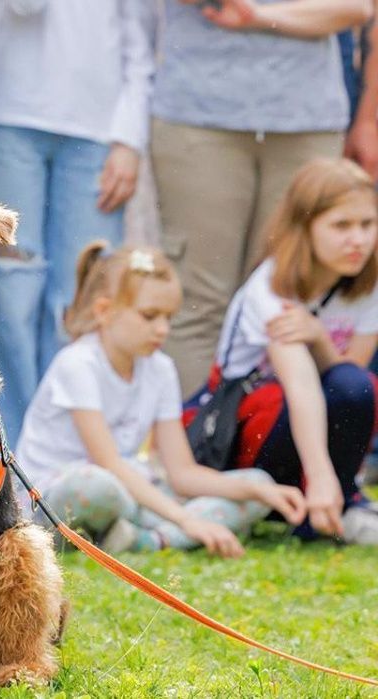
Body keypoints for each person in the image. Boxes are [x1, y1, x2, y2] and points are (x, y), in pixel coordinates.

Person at [16, 242, 308, 557]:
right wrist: (185, 519)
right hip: (59, 496)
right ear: (104, 311)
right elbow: (108, 463)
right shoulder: (77, 363)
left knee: (257, 484)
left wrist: (254, 490)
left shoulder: (161, 369)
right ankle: (163, 533)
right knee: (98, 487)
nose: (162, 329)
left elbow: (181, 472)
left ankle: (140, 540)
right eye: (150, 316)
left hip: (129, 487)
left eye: (168, 318)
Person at [151, 0, 373, 393]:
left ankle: (275, 446)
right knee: (198, 297)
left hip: (307, 122)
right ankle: (193, 443)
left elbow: (353, 8)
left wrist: (256, 15)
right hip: (200, 118)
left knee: (288, 294)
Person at [0, 0, 153, 445]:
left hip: (98, 132)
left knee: (81, 296)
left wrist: (129, 140)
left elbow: (140, 42)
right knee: (12, 294)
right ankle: (12, 451)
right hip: (9, 114)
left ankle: (72, 444)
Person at [184, 158, 378, 545]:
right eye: (341, 226)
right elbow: (302, 385)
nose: (357, 240)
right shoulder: (271, 288)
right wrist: (321, 476)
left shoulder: (367, 284)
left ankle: (331, 507)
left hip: (305, 428)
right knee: (291, 393)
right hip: (246, 439)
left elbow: (351, 384)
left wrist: (319, 337)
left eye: (367, 224)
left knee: (356, 384)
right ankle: (320, 499)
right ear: (304, 228)